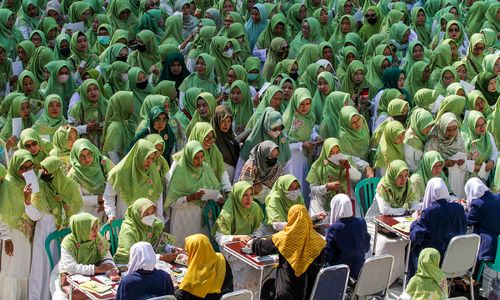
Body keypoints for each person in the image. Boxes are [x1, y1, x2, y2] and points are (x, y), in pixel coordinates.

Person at [26, 156, 83, 300]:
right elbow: (35, 215)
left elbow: (76, 211)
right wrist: (27, 201)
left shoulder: (70, 187)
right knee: (41, 269)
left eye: (47, 170)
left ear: (56, 172)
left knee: (59, 267)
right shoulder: (40, 187)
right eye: (42, 170)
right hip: (43, 233)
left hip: (64, 234)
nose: (43, 173)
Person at [250, 204, 325, 300]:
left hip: (286, 292)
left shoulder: (285, 237)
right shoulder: (317, 240)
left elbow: (261, 247)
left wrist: (253, 242)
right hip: (309, 292)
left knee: (267, 287)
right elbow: (321, 259)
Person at [165, 141, 221, 247]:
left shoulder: (205, 168)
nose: (199, 161)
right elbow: (171, 202)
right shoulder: (180, 172)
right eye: (196, 158)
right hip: (184, 217)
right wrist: (190, 197)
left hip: (201, 216)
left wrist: (218, 197)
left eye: (201, 157)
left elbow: (214, 187)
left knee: (199, 247)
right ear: (189, 156)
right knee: (183, 250)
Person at [212, 181, 264, 294]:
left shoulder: (254, 207)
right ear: (237, 196)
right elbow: (219, 237)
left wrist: (252, 237)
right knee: (245, 265)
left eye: (251, 194)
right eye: (245, 195)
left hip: (249, 244)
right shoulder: (228, 212)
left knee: (259, 265)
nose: (249, 199)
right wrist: (236, 238)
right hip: (230, 248)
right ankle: (240, 293)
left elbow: (259, 228)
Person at [51, 213, 119, 299]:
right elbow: (71, 267)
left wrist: (111, 271)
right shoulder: (68, 242)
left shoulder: (98, 238)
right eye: (91, 228)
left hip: (92, 277)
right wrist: (96, 269)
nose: (95, 231)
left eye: (96, 227)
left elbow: (106, 257)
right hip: (67, 275)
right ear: (82, 229)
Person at [409, 178, 467, 277]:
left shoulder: (429, 212)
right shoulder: (459, 208)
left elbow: (416, 238)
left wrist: (416, 221)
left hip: (434, 260)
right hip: (455, 259)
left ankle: (412, 283)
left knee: (410, 248)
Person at [0, 150, 35, 300]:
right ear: (15, 167)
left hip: (27, 234)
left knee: (24, 268)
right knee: (12, 270)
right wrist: (7, 239)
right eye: (23, 168)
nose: (26, 172)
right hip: (13, 235)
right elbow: (3, 214)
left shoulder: (30, 182)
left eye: (29, 168)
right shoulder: (9, 184)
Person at [104, 139, 163, 221]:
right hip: (124, 220)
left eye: (152, 158)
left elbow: (158, 197)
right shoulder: (120, 172)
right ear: (139, 155)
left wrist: (160, 220)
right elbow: (109, 196)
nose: (149, 162)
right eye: (147, 158)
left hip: (146, 222)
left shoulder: (153, 172)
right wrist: (111, 215)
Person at [307, 138, 362, 216]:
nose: (335, 156)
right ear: (326, 153)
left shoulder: (346, 160)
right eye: (331, 153)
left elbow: (357, 178)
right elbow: (313, 189)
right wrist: (327, 187)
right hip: (323, 202)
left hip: (345, 199)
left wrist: (348, 167)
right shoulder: (318, 166)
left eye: (337, 152)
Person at [325, 193, 370, 279]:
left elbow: (328, 256)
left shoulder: (334, 228)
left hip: (340, 273)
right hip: (358, 270)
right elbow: (366, 247)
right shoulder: (361, 222)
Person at [176, 234, 233, 300]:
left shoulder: (190, 282)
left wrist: (175, 287)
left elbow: (181, 295)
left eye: (188, 251)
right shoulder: (221, 260)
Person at [68, 138, 113, 219]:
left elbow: (117, 183)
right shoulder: (74, 174)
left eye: (89, 154)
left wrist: (106, 200)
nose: (87, 159)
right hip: (88, 216)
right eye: (82, 156)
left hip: (110, 211)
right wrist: (98, 199)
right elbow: (75, 198)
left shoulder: (104, 163)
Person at [465, 177, 500, 264]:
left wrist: (463, 208)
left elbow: (468, 220)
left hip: (490, 248)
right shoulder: (497, 197)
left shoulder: (477, 204)